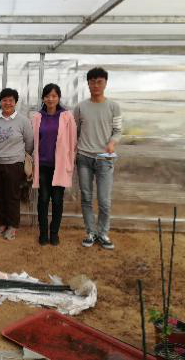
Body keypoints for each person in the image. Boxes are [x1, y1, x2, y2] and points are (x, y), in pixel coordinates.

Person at [74, 67, 122, 250]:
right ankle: (91, 232)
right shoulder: (80, 107)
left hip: (104, 158)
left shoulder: (113, 107)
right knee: (86, 197)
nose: (96, 85)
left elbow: (118, 131)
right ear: (88, 84)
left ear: (105, 83)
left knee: (104, 200)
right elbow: (75, 131)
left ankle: (103, 233)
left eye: (99, 81)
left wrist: (112, 143)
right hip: (84, 157)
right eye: (92, 82)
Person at [32, 84, 77, 246]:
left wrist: (69, 163)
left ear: (58, 98)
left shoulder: (66, 116)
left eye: (54, 96)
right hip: (43, 166)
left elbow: (72, 142)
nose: (50, 99)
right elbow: (33, 141)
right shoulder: (37, 117)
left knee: (57, 200)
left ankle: (54, 233)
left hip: (60, 167)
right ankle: (43, 233)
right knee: (43, 199)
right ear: (43, 98)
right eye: (47, 96)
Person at [0, 88, 33, 241]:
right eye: (4, 100)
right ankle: (3, 223)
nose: (7, 103)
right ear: (0, 102)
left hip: (14, 164)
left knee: (12, 196)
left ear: (15, 102)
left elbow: (29, 143)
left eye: (11, 100)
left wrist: (19, 156)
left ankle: (13, 226)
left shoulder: (23, 121)